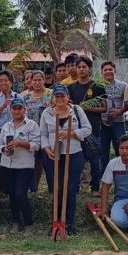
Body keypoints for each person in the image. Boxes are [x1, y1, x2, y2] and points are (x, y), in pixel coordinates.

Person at [40, 84, 91, 236]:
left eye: (63, 96)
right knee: (57, 189)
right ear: (53, 98)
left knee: (70, 189)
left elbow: (88, 129)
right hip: (53, 154)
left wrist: (72, 134)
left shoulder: (76, 110)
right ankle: (56, 220)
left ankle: (69, 222)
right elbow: (42, 134)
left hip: (73, 154)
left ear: (67, 97)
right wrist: (46, 149)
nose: (60, 98)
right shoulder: (47, 113)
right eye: (57, 96)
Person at [0, 97, 40, 233]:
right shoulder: (6, 126)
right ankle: (16, 221)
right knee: (12, 195)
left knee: (21, 194)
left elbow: (37, 145)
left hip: (24, 165)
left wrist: (21, 143)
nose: (17, 111)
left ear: (25, 109)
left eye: (20, 108)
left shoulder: (32, 125)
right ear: (10, 110)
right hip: (7, 165)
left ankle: (29, 223)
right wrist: (4, 149)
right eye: (14, 108)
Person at [67, 56, 106, 191]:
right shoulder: (71, 87)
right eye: (79, 67)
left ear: (89, 69)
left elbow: (104, 107)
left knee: (95, 160)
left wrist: (88, 108)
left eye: (84, 67)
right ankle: (76, 187)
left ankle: (95, 188)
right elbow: (67, 106)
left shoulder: (98, 87)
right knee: (77, 160)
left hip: (93, 128)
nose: (81, 69)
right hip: (76, 129)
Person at [23, 69, 52, 193]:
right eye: (34, 80)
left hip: (47, 132)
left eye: (39, 80)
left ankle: (51, 187)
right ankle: (33, 187)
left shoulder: (51, 94)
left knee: (46, 161)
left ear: (44, 80)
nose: (37, 82)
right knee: (32, 160)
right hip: (31, 133)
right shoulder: (25, 96)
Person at [100, 61, 127, 172]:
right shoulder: (97, 85)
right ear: (101, 72)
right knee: (103, 151)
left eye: (110, 69)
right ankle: (105, 176)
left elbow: (127, 102)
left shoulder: (123, 85)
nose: (108, 71)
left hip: (119, 122)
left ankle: (121, 173)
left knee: (120, 148)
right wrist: (100, 117)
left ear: (115, 71)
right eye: (105, 70)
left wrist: (120, 111)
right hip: (102, 123)